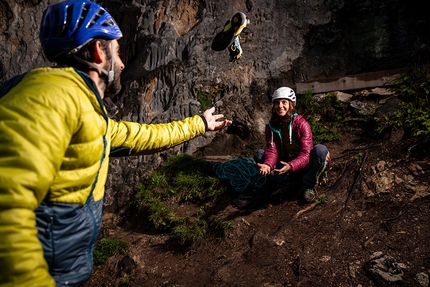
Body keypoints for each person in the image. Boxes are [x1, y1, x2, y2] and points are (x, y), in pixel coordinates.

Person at [0, 1, 232, 286]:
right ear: (100, 51)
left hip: (62, 268)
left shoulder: (83, 107)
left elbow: (144, 137)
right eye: (118, 51)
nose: (122, 62)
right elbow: (7, 202)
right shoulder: (50, 97)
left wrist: (200, 124)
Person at [254, 87, 331, 202]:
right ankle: (287, 183)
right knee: (260, 156)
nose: (280, 106)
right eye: (277, 103)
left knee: (321, 151)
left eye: (284, 102)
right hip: (285, 167)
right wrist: (268, 165)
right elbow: (272, 150)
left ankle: (308, 185)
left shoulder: (302, 124)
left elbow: (306, 153)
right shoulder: (271, 127)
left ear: (291, 105)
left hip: (303, 166)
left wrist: (291, 165)